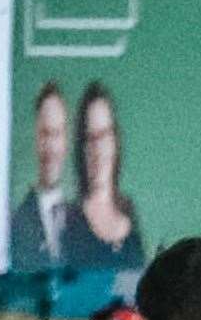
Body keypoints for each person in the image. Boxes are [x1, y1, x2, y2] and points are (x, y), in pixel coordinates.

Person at [63, 81, 144, 270]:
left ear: (115, 141)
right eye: (90, 139)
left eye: (104, 135)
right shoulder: (69, 223)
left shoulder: (131, 212)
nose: (98, 149)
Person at [10, 81, 70, 270]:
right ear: (35, 137)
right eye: (45, 134)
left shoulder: (84, 219)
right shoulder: (16, 224)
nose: (51, 147)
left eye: (57, 133)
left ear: (66, 140)